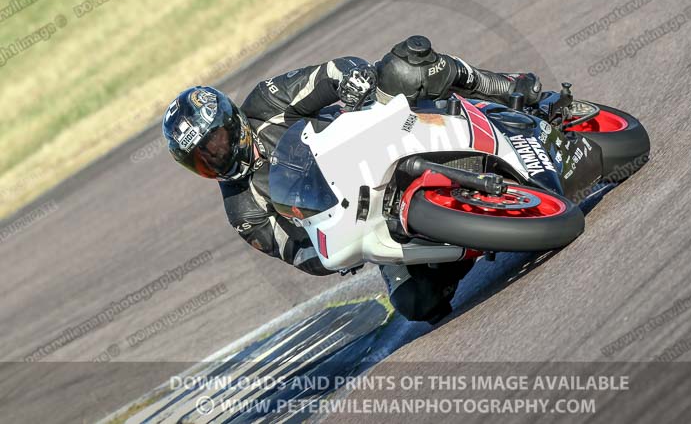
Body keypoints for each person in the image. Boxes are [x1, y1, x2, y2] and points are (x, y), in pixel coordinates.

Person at [162, 35, 542, 323]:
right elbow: (298, 253)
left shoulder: (266, 103)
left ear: (231, 121)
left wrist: (352, 80)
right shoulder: (242, 208)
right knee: (417, 304)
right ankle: (475, 238)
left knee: (402, 66)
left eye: (216, 143)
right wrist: (334, 251)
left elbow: (330, 73)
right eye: (201, 159)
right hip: (366, 216)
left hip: (380, 136)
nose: (215, 157)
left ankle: (502, 86)